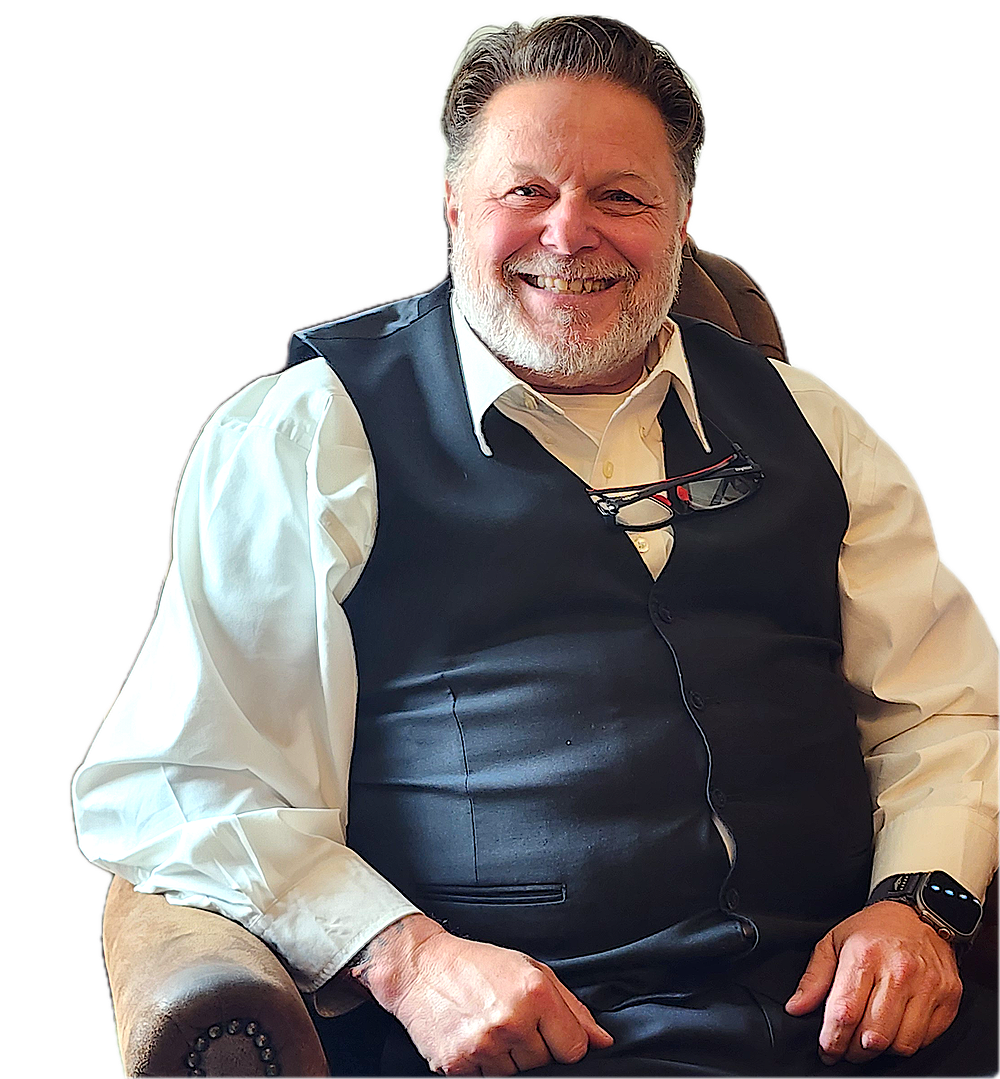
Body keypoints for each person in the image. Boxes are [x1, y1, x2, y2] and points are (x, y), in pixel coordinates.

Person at [71, 14, 998, 1078]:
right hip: (531, 1042)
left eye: (622, 196)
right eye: (526, 190)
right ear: (454, 205)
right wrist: (407, 959)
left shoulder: (813, 420)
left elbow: (944, 704)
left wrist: (917, 904)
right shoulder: (308, 435)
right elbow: (189, 783)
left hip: (858, 1019)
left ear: (682, 218)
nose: (569, 233)